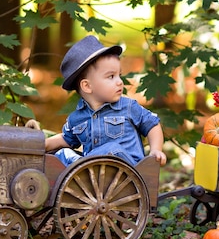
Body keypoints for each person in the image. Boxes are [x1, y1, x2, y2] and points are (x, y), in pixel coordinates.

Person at [44, 35, 167, 167]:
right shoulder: (77, 118)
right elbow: (65, 139)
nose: (120, 82)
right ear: (87, 86)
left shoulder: (128, 107)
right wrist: (43, 144)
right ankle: (79, 168)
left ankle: (81, 166)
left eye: (119, 75)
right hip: (96, 176)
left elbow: (152, 124)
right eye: (111, 76)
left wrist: (156, 150)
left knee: (110, 149)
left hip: (127, 170)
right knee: (62, 154)